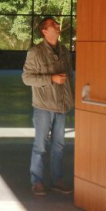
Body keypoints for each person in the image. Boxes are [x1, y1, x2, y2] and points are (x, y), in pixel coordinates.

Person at [22, 16, 74, 196]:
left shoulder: (66, 52)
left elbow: (70, 78)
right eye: (53, 24)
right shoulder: (35, 52)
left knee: (59, 146)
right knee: (41, 146)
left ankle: (57, 180)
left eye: (57, 24)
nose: (58, 26)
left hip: (62, 106)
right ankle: (37, 181)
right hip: (44, 106)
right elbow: (27, 78)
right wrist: (50, 79)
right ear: (44, 31)